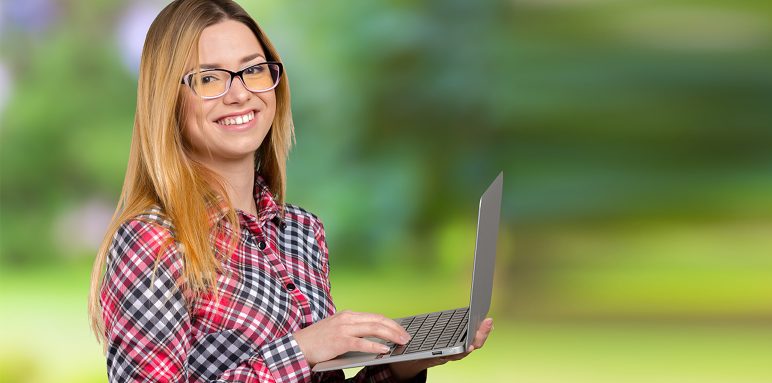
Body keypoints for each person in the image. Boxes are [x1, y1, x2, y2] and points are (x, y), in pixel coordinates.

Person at [86, 0, 493, 381]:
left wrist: (405, 364)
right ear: (168, 99)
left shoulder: (301, 231)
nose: (241, 93)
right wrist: (300, 349)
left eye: (253, 70)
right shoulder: (153, 241)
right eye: (209, 78)